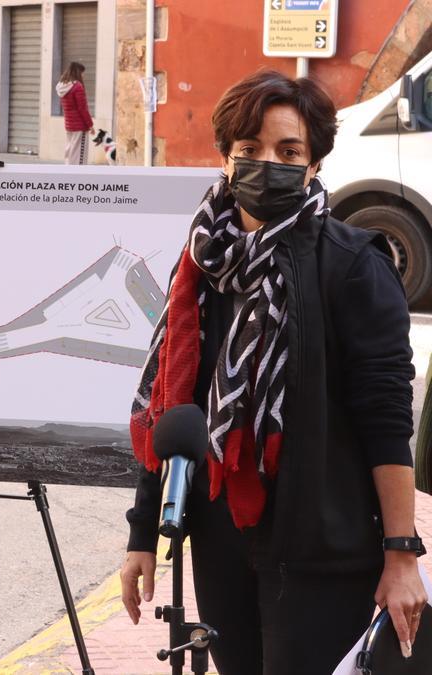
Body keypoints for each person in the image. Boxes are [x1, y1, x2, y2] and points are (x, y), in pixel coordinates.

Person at [119, 70, 427, 674]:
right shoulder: (203, 267)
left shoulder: (353, 266)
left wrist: (401, 553)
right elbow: (175, 411)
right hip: (221, 540)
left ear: (313, 165)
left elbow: (386, 416)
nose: (269, 164)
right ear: (227, 160)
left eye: (289, 152)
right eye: (250, 150)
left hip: (323, 549)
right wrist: (141, 535)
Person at [56, 61, 93, 165]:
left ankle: (68, 173)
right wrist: (90, 125)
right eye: (82, 73)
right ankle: (78, 176)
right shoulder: (77, 87)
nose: (83, 75)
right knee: (79, 155)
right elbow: (82, 108)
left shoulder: (62, 86)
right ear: (78, 73)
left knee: (70, 151)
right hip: (80, 126)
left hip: (69, 125)